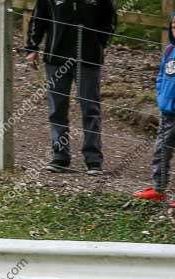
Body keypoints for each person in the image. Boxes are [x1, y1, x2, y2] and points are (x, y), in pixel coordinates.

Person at [24, 0, 117, 175]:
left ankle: (93, 158)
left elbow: (110, 19)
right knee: (57, 109)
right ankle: (60, 155)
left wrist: (99, 43)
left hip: (88, 59)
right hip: (56, 57)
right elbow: (38, 18)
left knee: (90, 108)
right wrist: (32, 47)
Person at [133, 9, 175, 210]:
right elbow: (160, 77)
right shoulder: (168, 50)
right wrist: (161, 97)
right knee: (160, 151)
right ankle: (158, 189)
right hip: (166, 113)